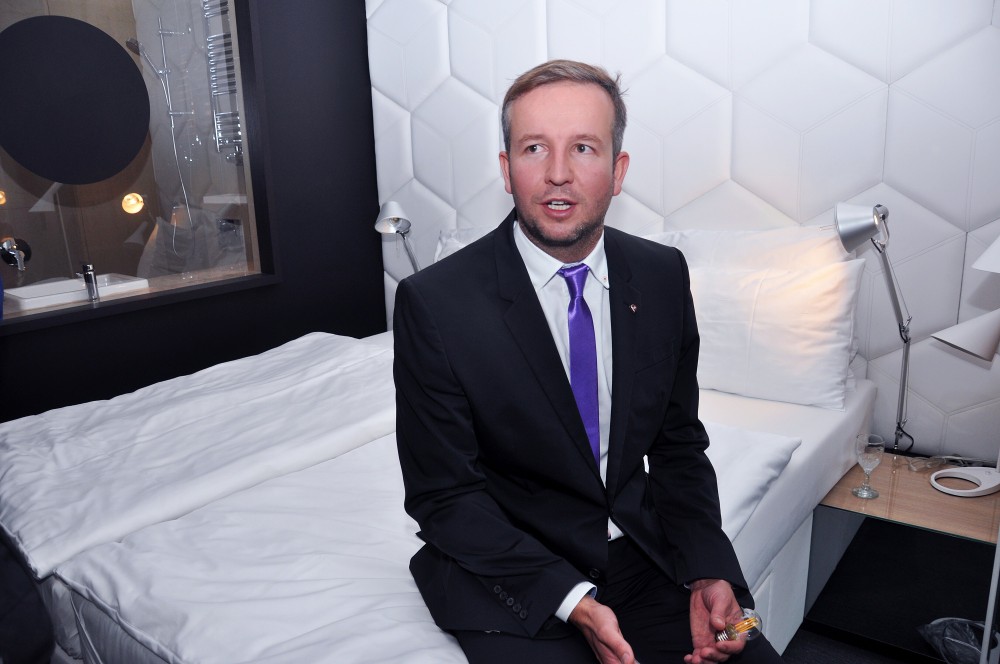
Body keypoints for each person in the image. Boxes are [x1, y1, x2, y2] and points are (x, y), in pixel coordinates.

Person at [393, 59, 783, 664]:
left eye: (583, 148)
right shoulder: (435, 302)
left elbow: (678, 444)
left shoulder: (661, 275)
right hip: (510, 572)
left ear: (618, 170)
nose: (558, 173)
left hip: (645, 556)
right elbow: (443, 496)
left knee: (750, 652)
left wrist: (710, 568)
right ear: (506, 169)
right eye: (534, 148)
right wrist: (573, 600)